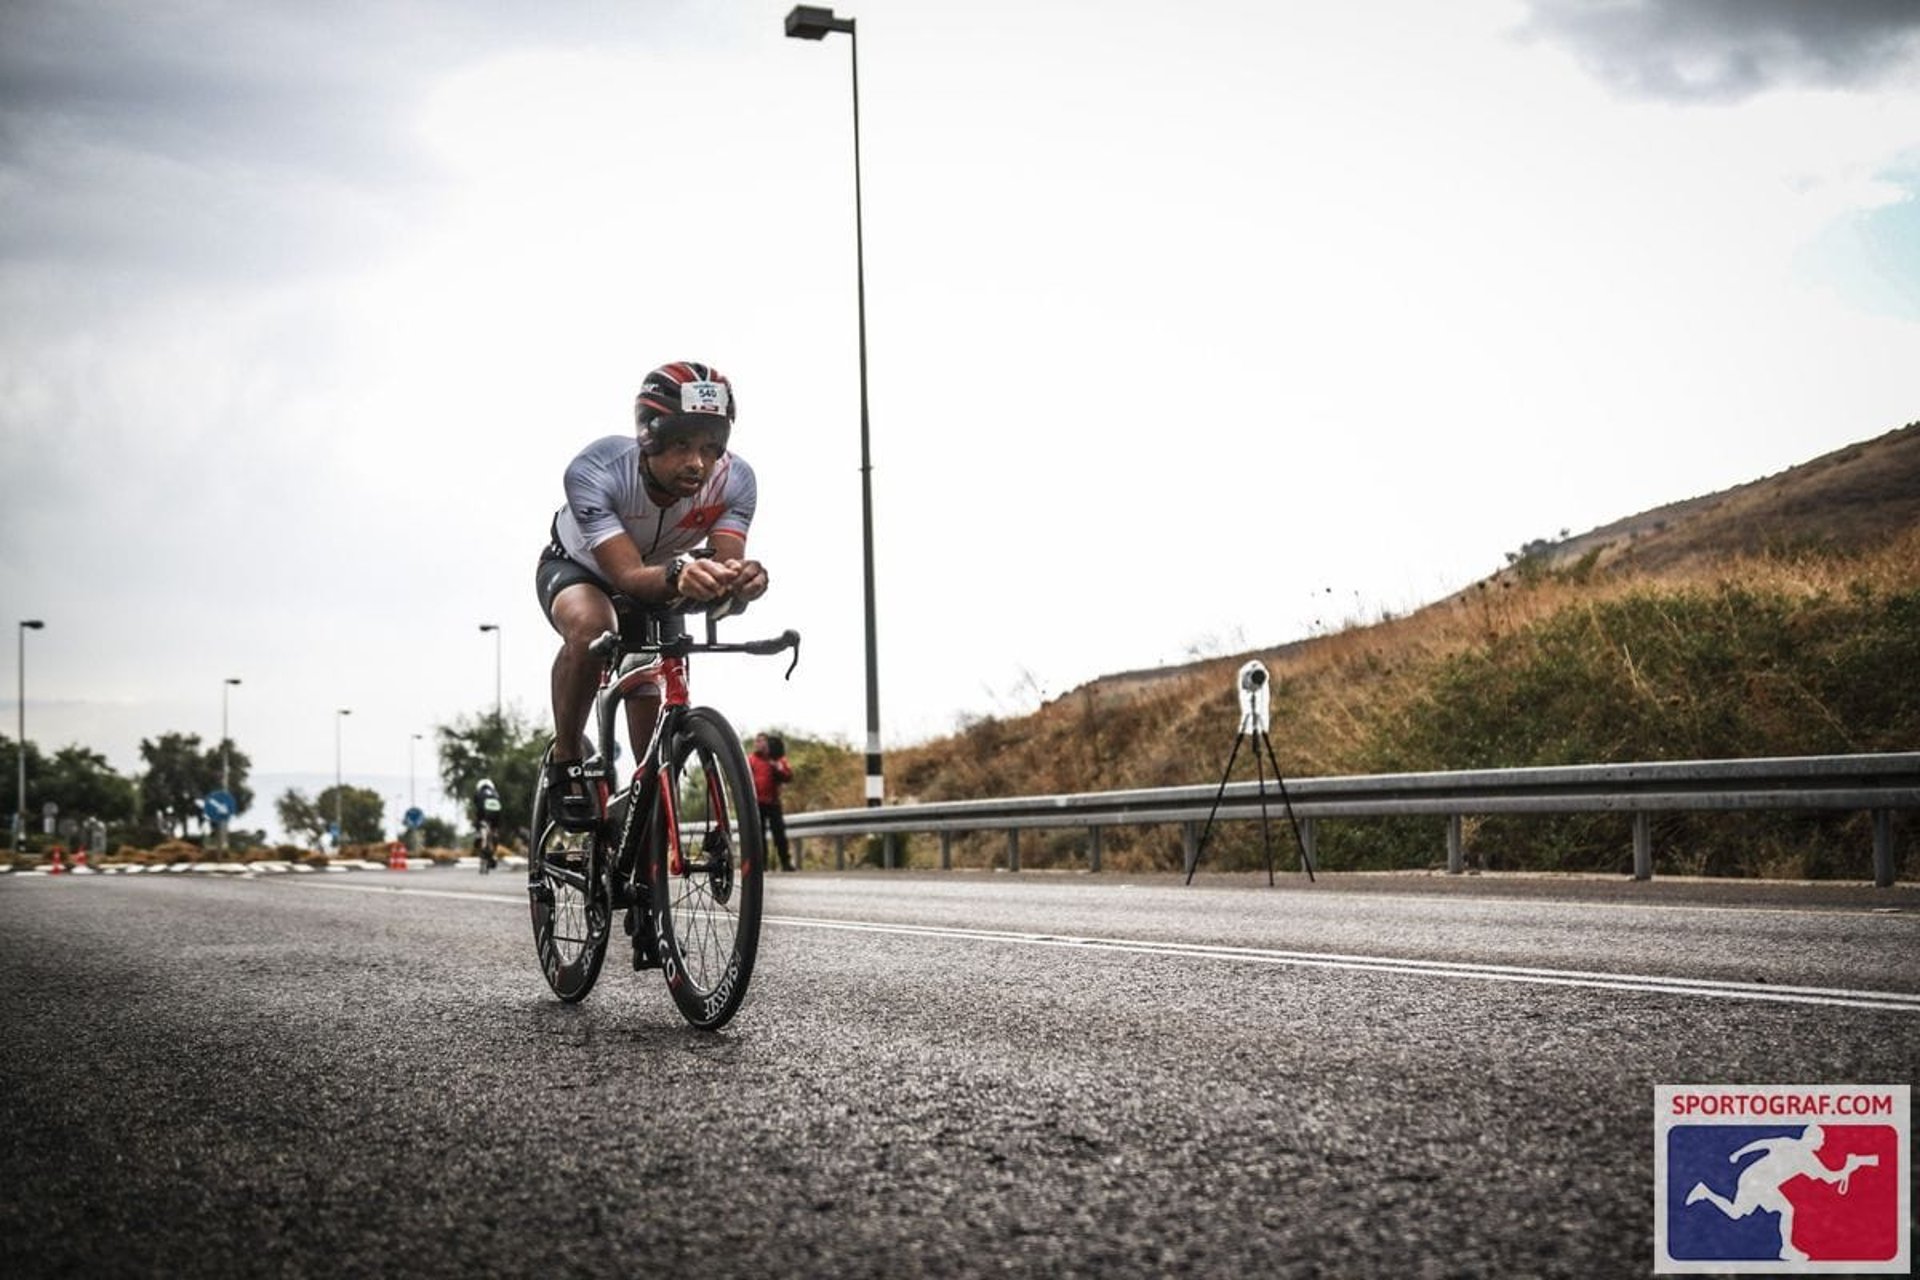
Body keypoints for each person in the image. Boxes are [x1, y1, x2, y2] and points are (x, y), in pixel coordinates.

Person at [535, 361, 770, 830]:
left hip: (664, 577)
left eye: (710, 447)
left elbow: (724, 569)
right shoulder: (596, 468)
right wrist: (683, 574)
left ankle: (644, 829)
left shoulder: (736, 480)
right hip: (582, 568)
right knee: (593, 627)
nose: (697, 464)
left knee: (650, 721)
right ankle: (567, 759)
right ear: (649, 437)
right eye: (682, 444)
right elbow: (625, 575)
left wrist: (743, 582)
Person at [750, 733, 795, 871]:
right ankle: (762, 864)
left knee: (779, 834)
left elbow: (788, 776)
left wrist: (777, 766)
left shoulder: (778, 759)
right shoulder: (751, 760)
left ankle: (785, 863)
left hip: (773, 802)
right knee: (759, 836)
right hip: (757, 803)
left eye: (762, 741)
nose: (759, 744)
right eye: (757, 741)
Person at [471, 777, 503, 869]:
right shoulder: (495, 793)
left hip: (484, 811)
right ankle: (495, 837)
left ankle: (479, 834)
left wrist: (477, 822)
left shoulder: (479, 793)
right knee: (494, 829)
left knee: (480, 822)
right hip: (496, 812)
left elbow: (477, 808)